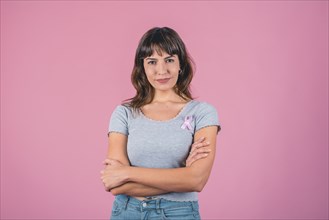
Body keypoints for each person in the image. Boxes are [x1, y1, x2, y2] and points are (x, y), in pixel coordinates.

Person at [100, 27, 221, 220]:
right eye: (152, 62)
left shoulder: (202, 113)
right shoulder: (124, 113)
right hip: (127, 212)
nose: (161, 70)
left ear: (181, 63)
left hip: (178, 213)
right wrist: (181, 175)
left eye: (169, 60)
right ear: (143, 67)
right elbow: (115, 184)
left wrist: (128, 172)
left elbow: (197, 180)